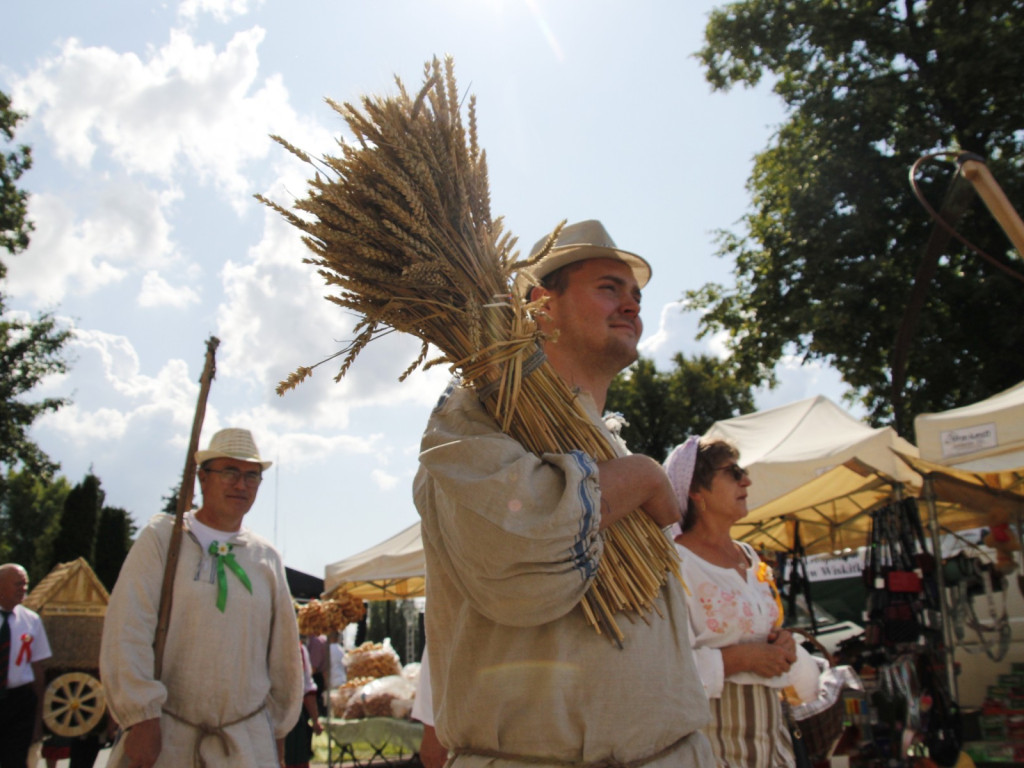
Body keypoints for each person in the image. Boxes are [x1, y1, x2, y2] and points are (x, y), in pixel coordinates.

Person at [414, 220, 713, 767]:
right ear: (539, 307)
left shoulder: (610, 442)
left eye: (636, 295)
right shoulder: (476, 419)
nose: (631, 306)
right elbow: (524, 553)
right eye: (608, 288)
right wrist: (645, 477)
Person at [99, 427, 303, 768]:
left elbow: (283, 655)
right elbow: (127, 627)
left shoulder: (266, 557)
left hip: (246, 746)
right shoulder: (164, 539)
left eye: (252, 476)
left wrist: (278, 734)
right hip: (166, 738)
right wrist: (141, 715)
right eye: (229, 472)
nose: (241, 485)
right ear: (202, 478)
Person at [664, 436, 820, 768]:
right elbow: (661, 667)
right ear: (696, 489)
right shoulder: (674, 563)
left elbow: (764, 631)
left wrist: (784, 645)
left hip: (772, 743)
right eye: (733, 472)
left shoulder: (749, 557)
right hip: (710, 746)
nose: (746, 480)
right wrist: (739, 658)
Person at [0, 562, 52, 768]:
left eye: (25, 584)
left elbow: (38, 668)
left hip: (19, 702)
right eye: (17, 584)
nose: (23, 589)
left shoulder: (31, 620)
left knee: (16, 761)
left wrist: (38, 721)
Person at [283, 638, 323, 768]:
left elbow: (307, 690)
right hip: (289, 717)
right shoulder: (297, 649)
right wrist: (315, 720)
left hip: (288, 717)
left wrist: (315, 720)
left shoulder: (298, 649)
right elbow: (307, 688)